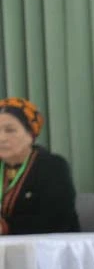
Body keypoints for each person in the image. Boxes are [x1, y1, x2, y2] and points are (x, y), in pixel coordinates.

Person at [0, 97, 80, 235]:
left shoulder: (52, 166)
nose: (1, 138)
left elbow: (55, 220)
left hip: (48, 245)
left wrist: (4, 228)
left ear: (31, 135)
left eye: (10, 130)